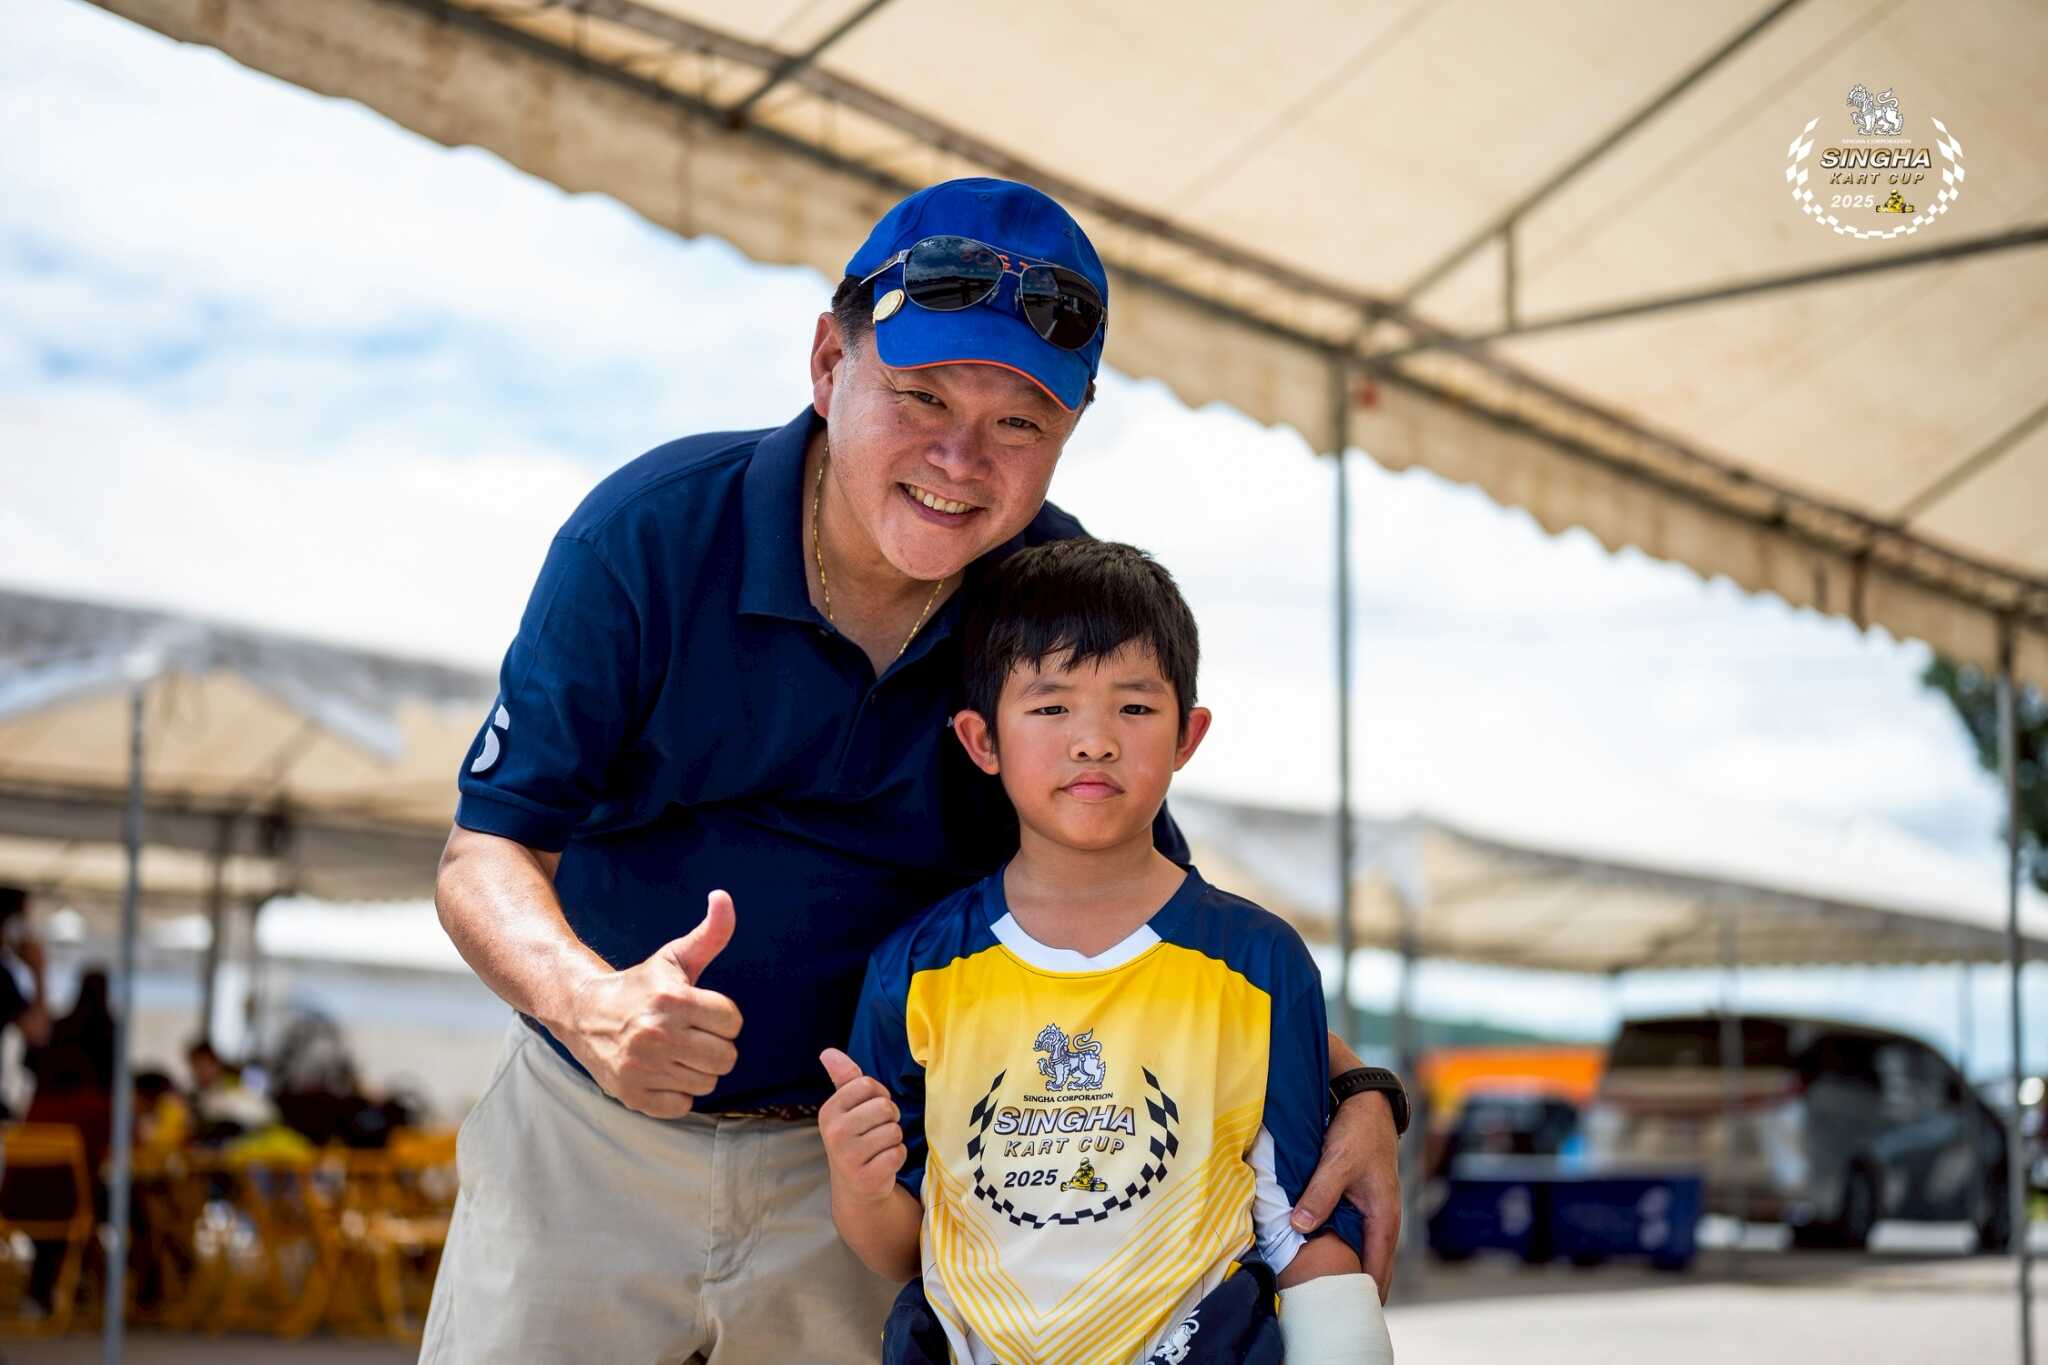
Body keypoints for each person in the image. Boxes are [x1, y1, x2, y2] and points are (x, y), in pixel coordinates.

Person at [423, 178, 1403, 1364]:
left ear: (1070, 432)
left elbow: (1152, 908)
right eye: (920, 395)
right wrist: (593, 1004)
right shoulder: (648, 535)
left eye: (1019, 424)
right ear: (827, 363)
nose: (957, 459)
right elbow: (485, 850)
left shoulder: (1054, 598)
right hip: (589, 1129)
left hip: (868, 1176)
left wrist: (1356, 1091)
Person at [821, 541, 1395, 1364]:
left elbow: (1299, 1228)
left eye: (1134, 706)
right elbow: (901, 1249)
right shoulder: (916, 971)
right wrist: (859, 1183)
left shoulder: (1259, 963)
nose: (1093, 741)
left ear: (1188, 734)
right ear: (981, 739)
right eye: (1051, 707)